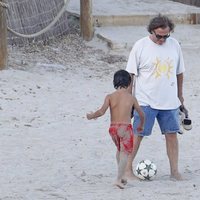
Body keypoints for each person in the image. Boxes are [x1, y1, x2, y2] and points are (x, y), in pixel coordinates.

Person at [125, 14, 185, 181]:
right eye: (159, 36)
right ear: (151, 31)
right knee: (138, 134)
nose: (162, 39)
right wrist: (128, 100)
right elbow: (131, 75)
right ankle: (127, 170)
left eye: (166, 36)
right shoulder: (140, 46)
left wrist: (180, 96)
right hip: (145, 101)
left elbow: (180, 72)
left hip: (170, 101)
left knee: (172, 134)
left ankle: (174, 171)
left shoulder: (174, 45)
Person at [86, 69, 145, 189]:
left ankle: (122, 175)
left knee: (119, 150)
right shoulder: (131, 98)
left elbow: (101, 111)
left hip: (113, 129)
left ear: (114, 82)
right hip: (125, 128)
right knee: (125, 153)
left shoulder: (110, 96)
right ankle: (118, 178)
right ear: (129, 83)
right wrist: (141, 125)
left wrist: (91, 116)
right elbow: (141, 114)